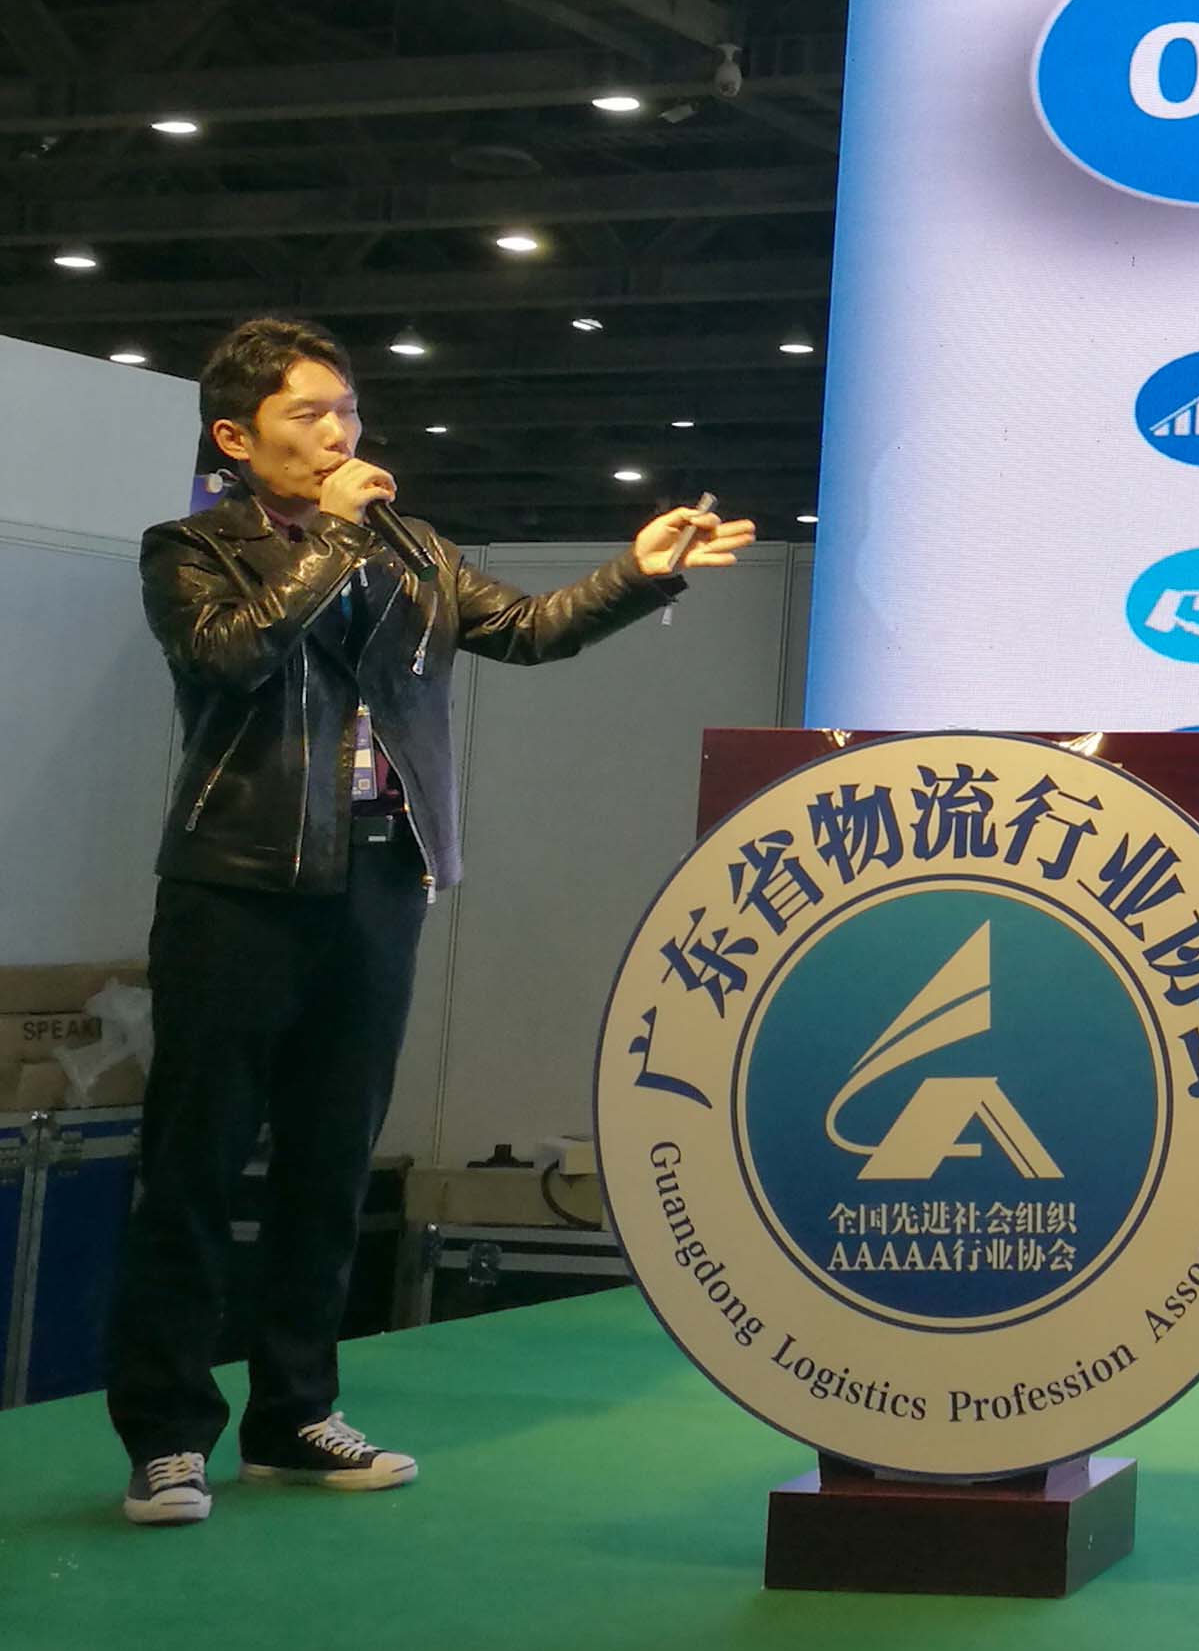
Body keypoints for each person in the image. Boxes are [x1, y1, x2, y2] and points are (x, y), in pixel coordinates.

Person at [108, 315, 759, 1527]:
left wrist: (638, 573)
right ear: (236, 438)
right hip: (236, 884)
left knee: (328, 1164)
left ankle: (295, 1415)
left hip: (378, 879)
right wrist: (334, 533)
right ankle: (167, 1436)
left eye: (348, 409)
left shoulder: (410, 546)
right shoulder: (189, 549)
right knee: (195, 1166)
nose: (340, 431)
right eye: (310, 413)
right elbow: (233, 658)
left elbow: (527, 631)